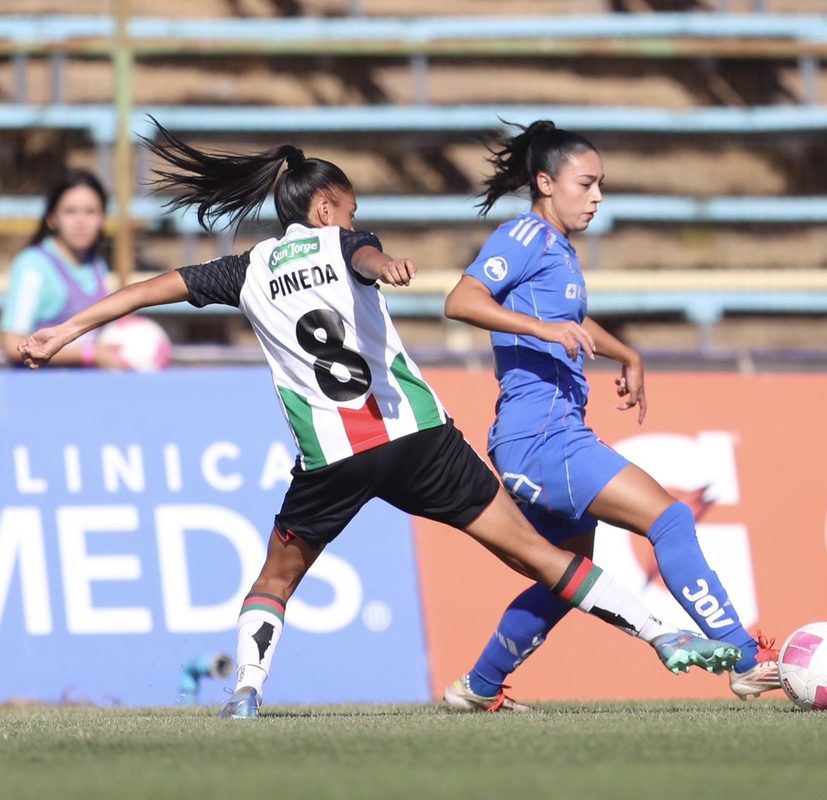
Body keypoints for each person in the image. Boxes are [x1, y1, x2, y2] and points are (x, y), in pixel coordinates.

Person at [17, 119, 743, 719]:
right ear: (329, 207)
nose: (356, 220)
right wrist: (384, 260)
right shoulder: (342, 241)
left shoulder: (246, 269)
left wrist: (65, 331)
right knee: (539, 556)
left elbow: (150, 290)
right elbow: (361, 257)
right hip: (418, 440)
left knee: (275, 578)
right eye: (353, 209)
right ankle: (662, 633)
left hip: (331, 458)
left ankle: (246, 688)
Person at [440, 120, 778, 712]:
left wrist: (625, 352)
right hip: (543, 438)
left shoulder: (556, 250)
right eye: (587, 184)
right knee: (670, 520)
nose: (597, 198)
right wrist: (544, 329)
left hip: (540, 437)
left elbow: (568, 319)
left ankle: (479, 686)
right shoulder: (523, 234)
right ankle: (744, 660)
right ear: (545, 182)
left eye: (601, 186)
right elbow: (462, 300)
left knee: (568, 574)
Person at [2, 169, 127, 369]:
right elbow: (11, 343)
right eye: (70, 211)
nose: (81, 221)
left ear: (103, 219)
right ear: (52, 218)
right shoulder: (32, 265)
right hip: (39, 388)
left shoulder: (97, 265)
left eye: (90, 211)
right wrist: (88, 354)